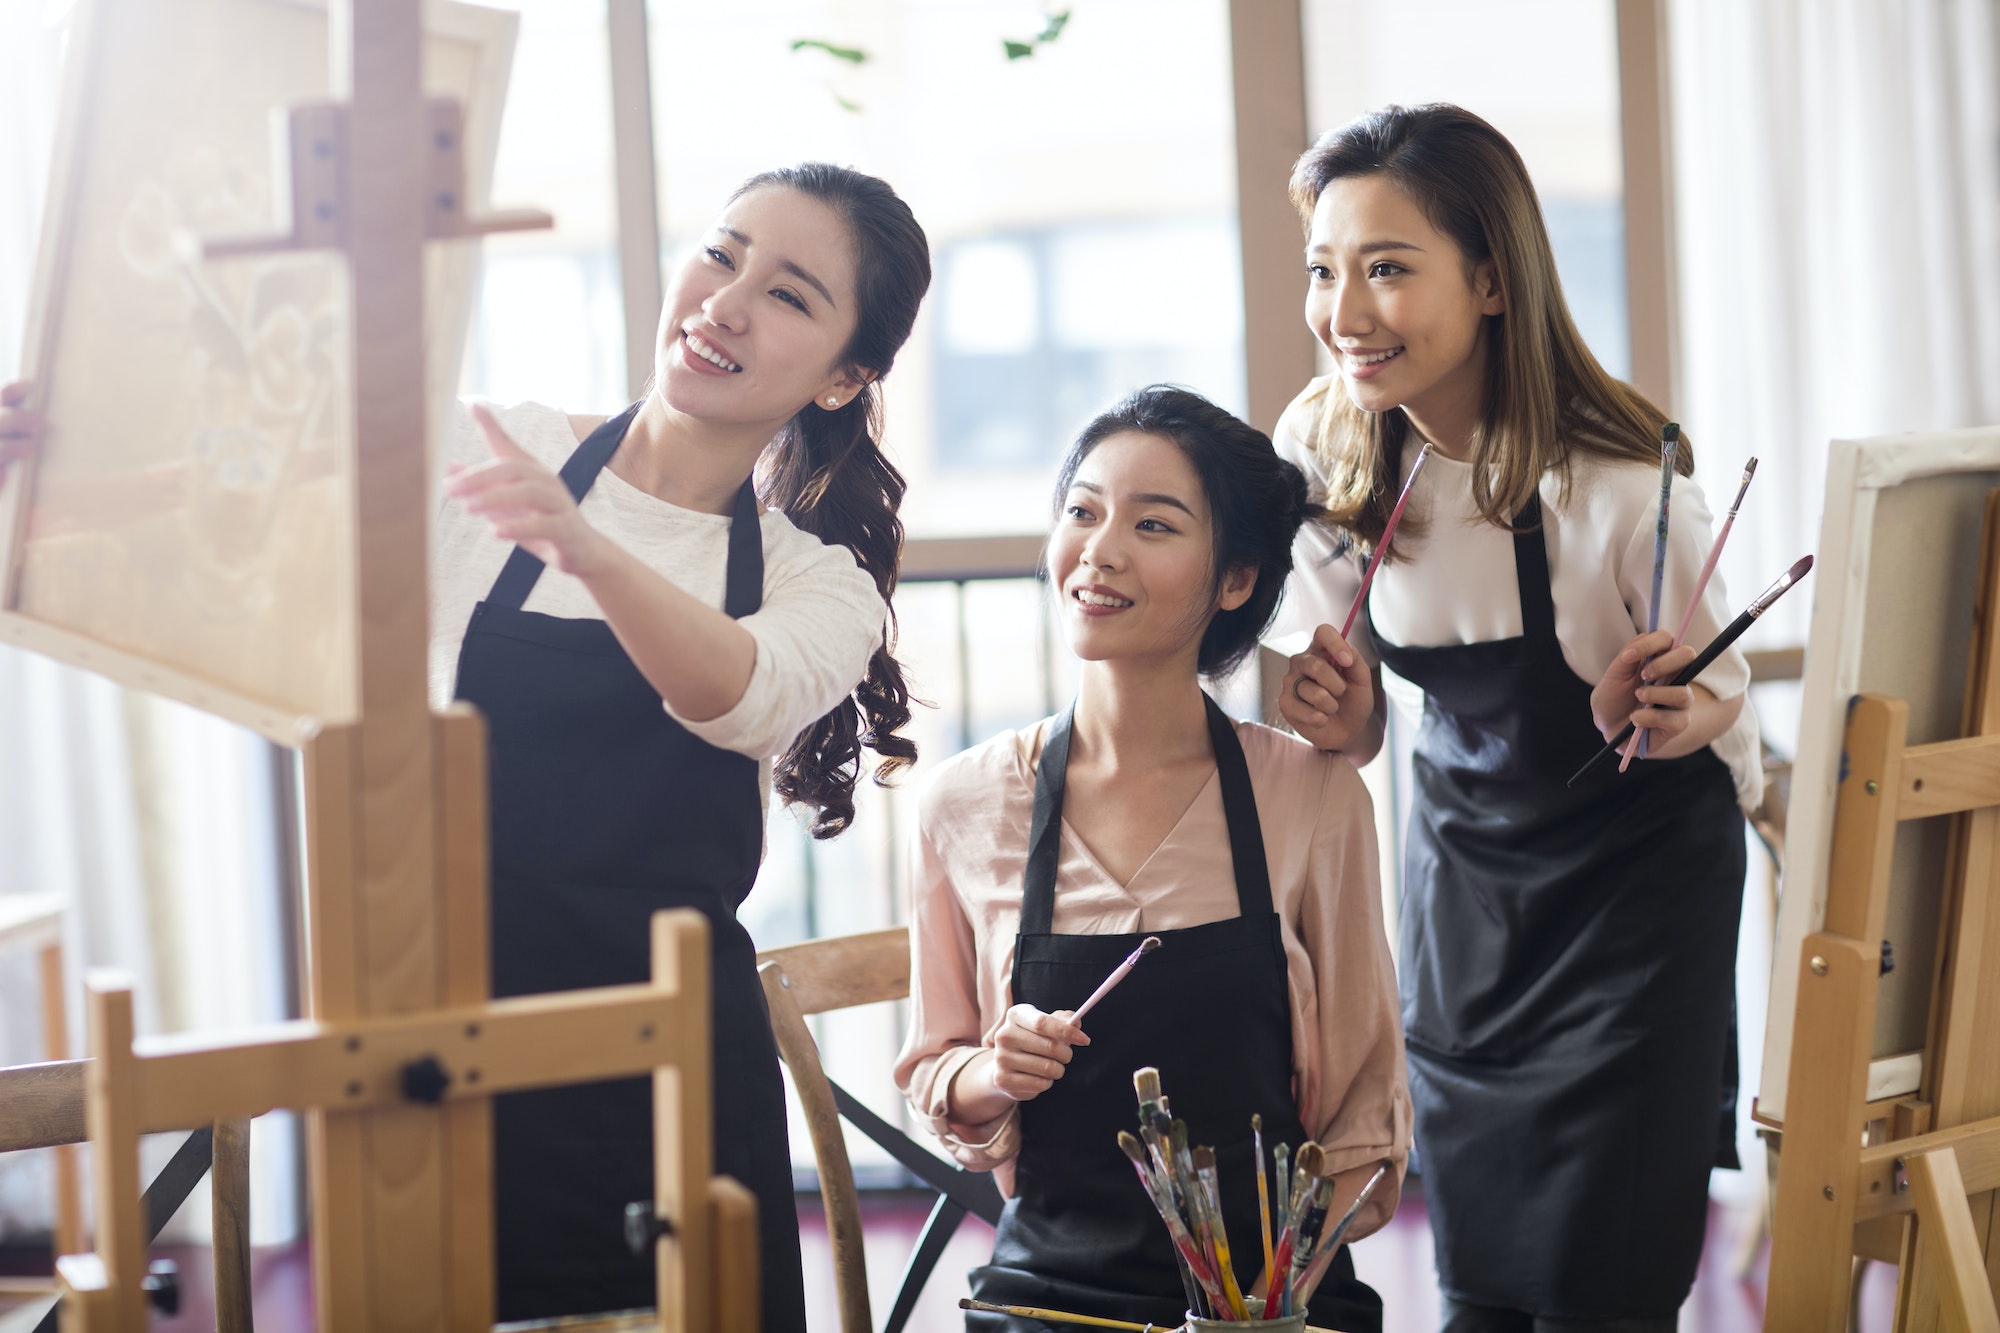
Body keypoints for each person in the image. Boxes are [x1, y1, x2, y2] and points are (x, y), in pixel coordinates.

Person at [4, 161, 932, 1332]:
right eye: (721, 251)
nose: (726, 301)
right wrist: (45, 479)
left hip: (670, 1083)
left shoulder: (813, 580)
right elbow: (228, 494)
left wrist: (590, 553)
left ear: (848, 375)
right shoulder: (494, 449)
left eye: (791, 294)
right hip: (432, 1048)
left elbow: (737, 694)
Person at [1271, 105, 1759, 1331]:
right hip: (1465, 893)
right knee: (1479, 1279)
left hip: (1635, 905)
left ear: (1491, 280)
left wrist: (1674, 710)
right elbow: (1365, 720)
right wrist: (1336, 713)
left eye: (1388, 268)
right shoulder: (1326, 455)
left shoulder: (1617, 483)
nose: (1345, 311)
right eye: (1324, 271)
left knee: (1602, 1283)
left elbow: (1728, 717)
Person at [895, 386, 1408, 1333]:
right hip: (1050, 1302)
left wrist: (1268, 1298)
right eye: (1082, 510)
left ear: (1237, 580)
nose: (1101, 547)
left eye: (1154, 523)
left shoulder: (1313, 795)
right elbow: (937, 1072)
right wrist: (996, 1071)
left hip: (1274, 1301)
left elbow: (1366, 1128)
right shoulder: (963, 806)